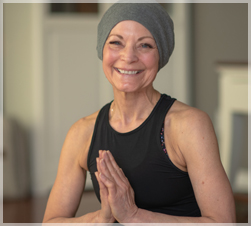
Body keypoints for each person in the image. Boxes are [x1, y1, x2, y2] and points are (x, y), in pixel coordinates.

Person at [42, 1, 236, 223]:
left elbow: (224, 221)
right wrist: (101, 219)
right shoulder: (82, 133)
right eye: (116, 42)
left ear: (160, 55)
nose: (128, 56)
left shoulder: (189, 126)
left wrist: (134, 216)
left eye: (144, 45)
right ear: (102, 50)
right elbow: (51, 222)